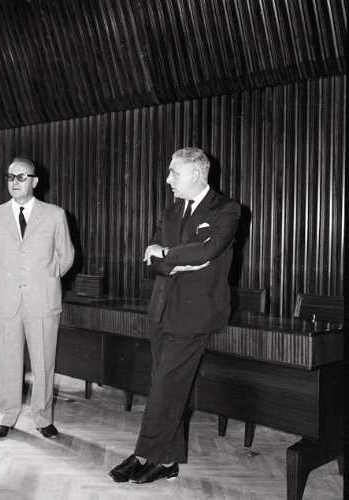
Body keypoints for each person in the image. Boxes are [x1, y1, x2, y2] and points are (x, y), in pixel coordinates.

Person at [109, 147, 241, 483]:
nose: (168, 179)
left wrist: (168, 253)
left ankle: (143, 454)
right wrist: (181, 260)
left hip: (195, 314)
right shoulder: (169, 212)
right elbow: (151, 259)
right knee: (166, 386)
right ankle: (167, 461)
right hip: (161, 310)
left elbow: (209, 250)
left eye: (174, 172)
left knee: (166, 386)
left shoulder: (226, 209)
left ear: (196, 173)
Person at [0, 157, 74, 440]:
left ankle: (43, 418)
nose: (15, 182)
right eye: (11, 177)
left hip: (42, 299)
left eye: (22, 177)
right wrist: (8, 277)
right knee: (6, 360)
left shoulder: (55, 215)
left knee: (44, 361)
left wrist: (45, 277)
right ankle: (7, 416)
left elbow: (66, 255)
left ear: (35, 181)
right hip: (6, 299)